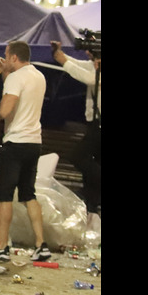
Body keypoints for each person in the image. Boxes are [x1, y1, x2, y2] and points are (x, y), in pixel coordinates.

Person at [0, 41, 51, 262]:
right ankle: (41, 245)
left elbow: (5, 109)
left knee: (4, 196)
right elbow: (16, 93)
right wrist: (5, 72)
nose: (4, 58)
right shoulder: (38, 76)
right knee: (28, 194)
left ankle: (1, 247)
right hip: (34, 142)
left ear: (14, 57)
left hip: (15, 142)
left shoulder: (16, 78)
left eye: (6, 55)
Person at [51, 39, 101, 215]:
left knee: (78, 156)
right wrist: (62, 56)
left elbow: (89, 77)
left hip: (99, 125)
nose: (88, 53)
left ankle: (93, 199)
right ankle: (92, 205)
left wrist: (63, 61)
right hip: (95, 123)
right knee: (93, 163)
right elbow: (85, 67)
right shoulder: (95, 65)